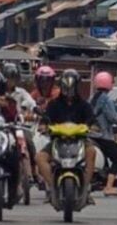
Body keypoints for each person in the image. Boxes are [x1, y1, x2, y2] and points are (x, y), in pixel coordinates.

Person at [35, 69, 96, 199]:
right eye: (66, 87)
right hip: (57, 141)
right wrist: (43, 126)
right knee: (40, 157)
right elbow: (45, 119)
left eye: (72, 87)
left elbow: (92, 120)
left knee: (92, 152)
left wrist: (91, 127)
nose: (69, 91)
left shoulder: (84, 105)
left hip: (80, 141)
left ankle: (85, 187)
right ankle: (52, 187)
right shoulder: (53, 104)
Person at [89, 71, 117, 195]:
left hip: (90, 134)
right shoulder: (106, 100)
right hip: (102, 135)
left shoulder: (92, 98)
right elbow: (113, 118)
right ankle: (109, 186)